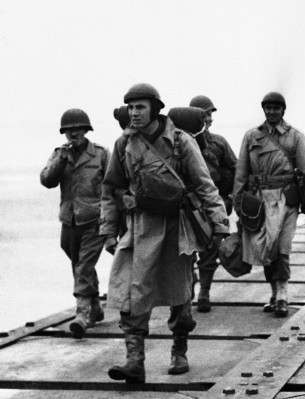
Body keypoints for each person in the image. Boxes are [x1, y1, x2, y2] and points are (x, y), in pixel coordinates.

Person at [100, 83, 230, 383]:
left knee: (180, 294)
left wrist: (220, 225)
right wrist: (108, 230)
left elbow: (204, 186)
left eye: (140, 107)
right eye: (130, 108)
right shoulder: (124, 145)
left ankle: (179, 349)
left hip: (176, 227)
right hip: (140, 227)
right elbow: (110, 189)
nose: (134, 113)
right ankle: (135, 362)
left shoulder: (181, 141)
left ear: (155, 109)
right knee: (131, 294)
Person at [233, 92, 305, 317]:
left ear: (283, 110)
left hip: (286, 199)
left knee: (282, 247)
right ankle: (273, 292)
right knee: (265, 248)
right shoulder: (252, 136)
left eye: (276, 108)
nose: (271, 111)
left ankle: (282, 294)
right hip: (260, 201)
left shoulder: (295, 137)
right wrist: (238, 199)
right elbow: (241, 171)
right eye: (268, 107)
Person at [40, 109, 108, 338]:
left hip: (95, 220)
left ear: (86, 130)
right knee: (78, 264)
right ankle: (96, 306)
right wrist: (61, 158)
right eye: (69, 130)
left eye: (78, 129)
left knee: (84, 265)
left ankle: (82, 314)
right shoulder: (60, 154)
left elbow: (114, 185)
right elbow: (47, 180)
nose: (74, 133)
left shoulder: (100, 155)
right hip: (69, 220)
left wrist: (114, 220)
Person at [188, 95, 237, 312]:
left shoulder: (219, 143)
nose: (207, 118)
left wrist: (231, 199)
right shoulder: (178, 142)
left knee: (209, 251)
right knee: (185, 250)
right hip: (186, 206)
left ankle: (204, 291)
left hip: (212, 203)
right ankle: (187, 286)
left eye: (209, 114)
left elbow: (237, 172)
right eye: (203, 114)